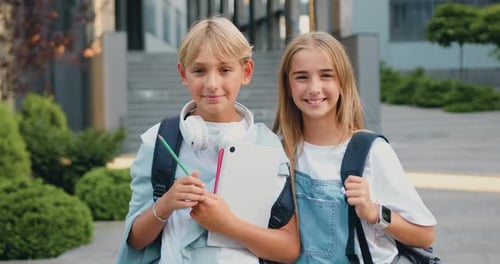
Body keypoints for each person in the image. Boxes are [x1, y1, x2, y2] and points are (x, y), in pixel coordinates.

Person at [116, 17, 300, 264]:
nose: (212, 84)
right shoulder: (159, 142)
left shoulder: (266, 146)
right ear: (183, 73)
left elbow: (288, 249)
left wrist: (227, 225)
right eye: (199, 70)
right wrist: (165, 205)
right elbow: (135, 240)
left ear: (246, 72)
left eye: (225, 70)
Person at [272, 31, 436, 263]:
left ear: (342, 82)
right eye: (301, 77)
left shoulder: (370, 152)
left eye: (326, 75)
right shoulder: (278, 152)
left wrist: (375, 212)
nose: (314, 88)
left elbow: (425, 234)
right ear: (288, 86)